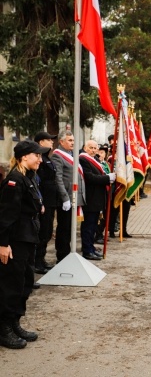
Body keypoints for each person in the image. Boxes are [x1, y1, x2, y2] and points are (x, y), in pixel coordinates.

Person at [0, 140, 48, 349]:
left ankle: (15, 322)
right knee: (11, 285)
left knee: (25, 282)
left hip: (28, 238)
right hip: (15, 241)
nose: (40, 159)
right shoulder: (14, 180)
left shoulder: (27, 177)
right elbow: (5, 216)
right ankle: (4, 329)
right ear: (24, 157)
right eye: (36, 155)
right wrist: (3, 244)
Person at [51, 130, 86, 262]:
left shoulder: (71, 154)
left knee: (71, 229)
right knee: (64, 229)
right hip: (66, 199)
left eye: (73, 140)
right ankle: (62, 257)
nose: (73, 142)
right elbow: (58, 178)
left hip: (75, 197)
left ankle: (68, 254)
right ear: (61, 142)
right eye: (70, 140)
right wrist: (65, 198)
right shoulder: (58, 156)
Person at [79, 140, 116, 260]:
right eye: (91, 147)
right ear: (85, 148)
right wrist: (107, 178)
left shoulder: (95, 160)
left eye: (95, 148)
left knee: (93, 226)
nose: (94, 150)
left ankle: (91, 247)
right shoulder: (83, 159)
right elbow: (90, 178)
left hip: (97, 198)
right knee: (88, 226)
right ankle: (87, 250)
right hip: (90, 197)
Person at [33, 131, 58, 274]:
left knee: (47, 231)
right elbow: (39, 182)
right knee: (42, 232)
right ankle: (37, 262)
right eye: (49, 140)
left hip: (51, 200)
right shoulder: (38, 159)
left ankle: (41, 259)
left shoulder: (47, 158)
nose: (52, 142)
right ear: (41, 142)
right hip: (45, 200)